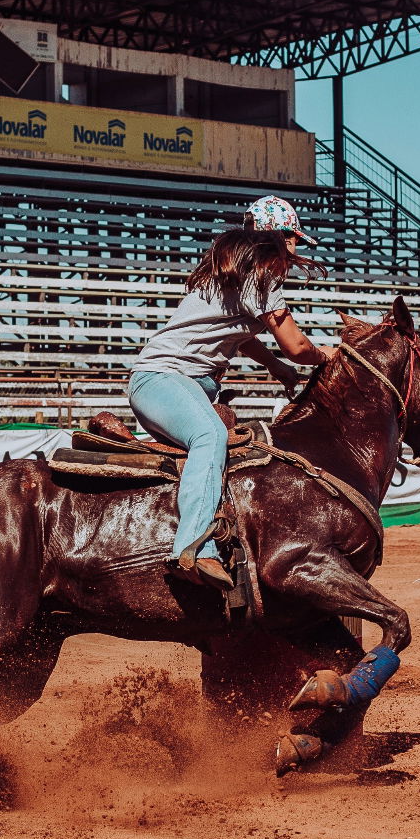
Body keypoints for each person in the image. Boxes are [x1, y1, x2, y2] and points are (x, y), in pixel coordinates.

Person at [128, 196, 332, 591]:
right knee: (210, 435)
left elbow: (244, 337)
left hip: (174, 381)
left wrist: (273, 366)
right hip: (164, 379)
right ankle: (193, 547)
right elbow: (296, 346)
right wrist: (326, 354)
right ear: (277, 238)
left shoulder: (236, 276)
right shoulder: (261, 277)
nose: (294, 253)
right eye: (291, 239)